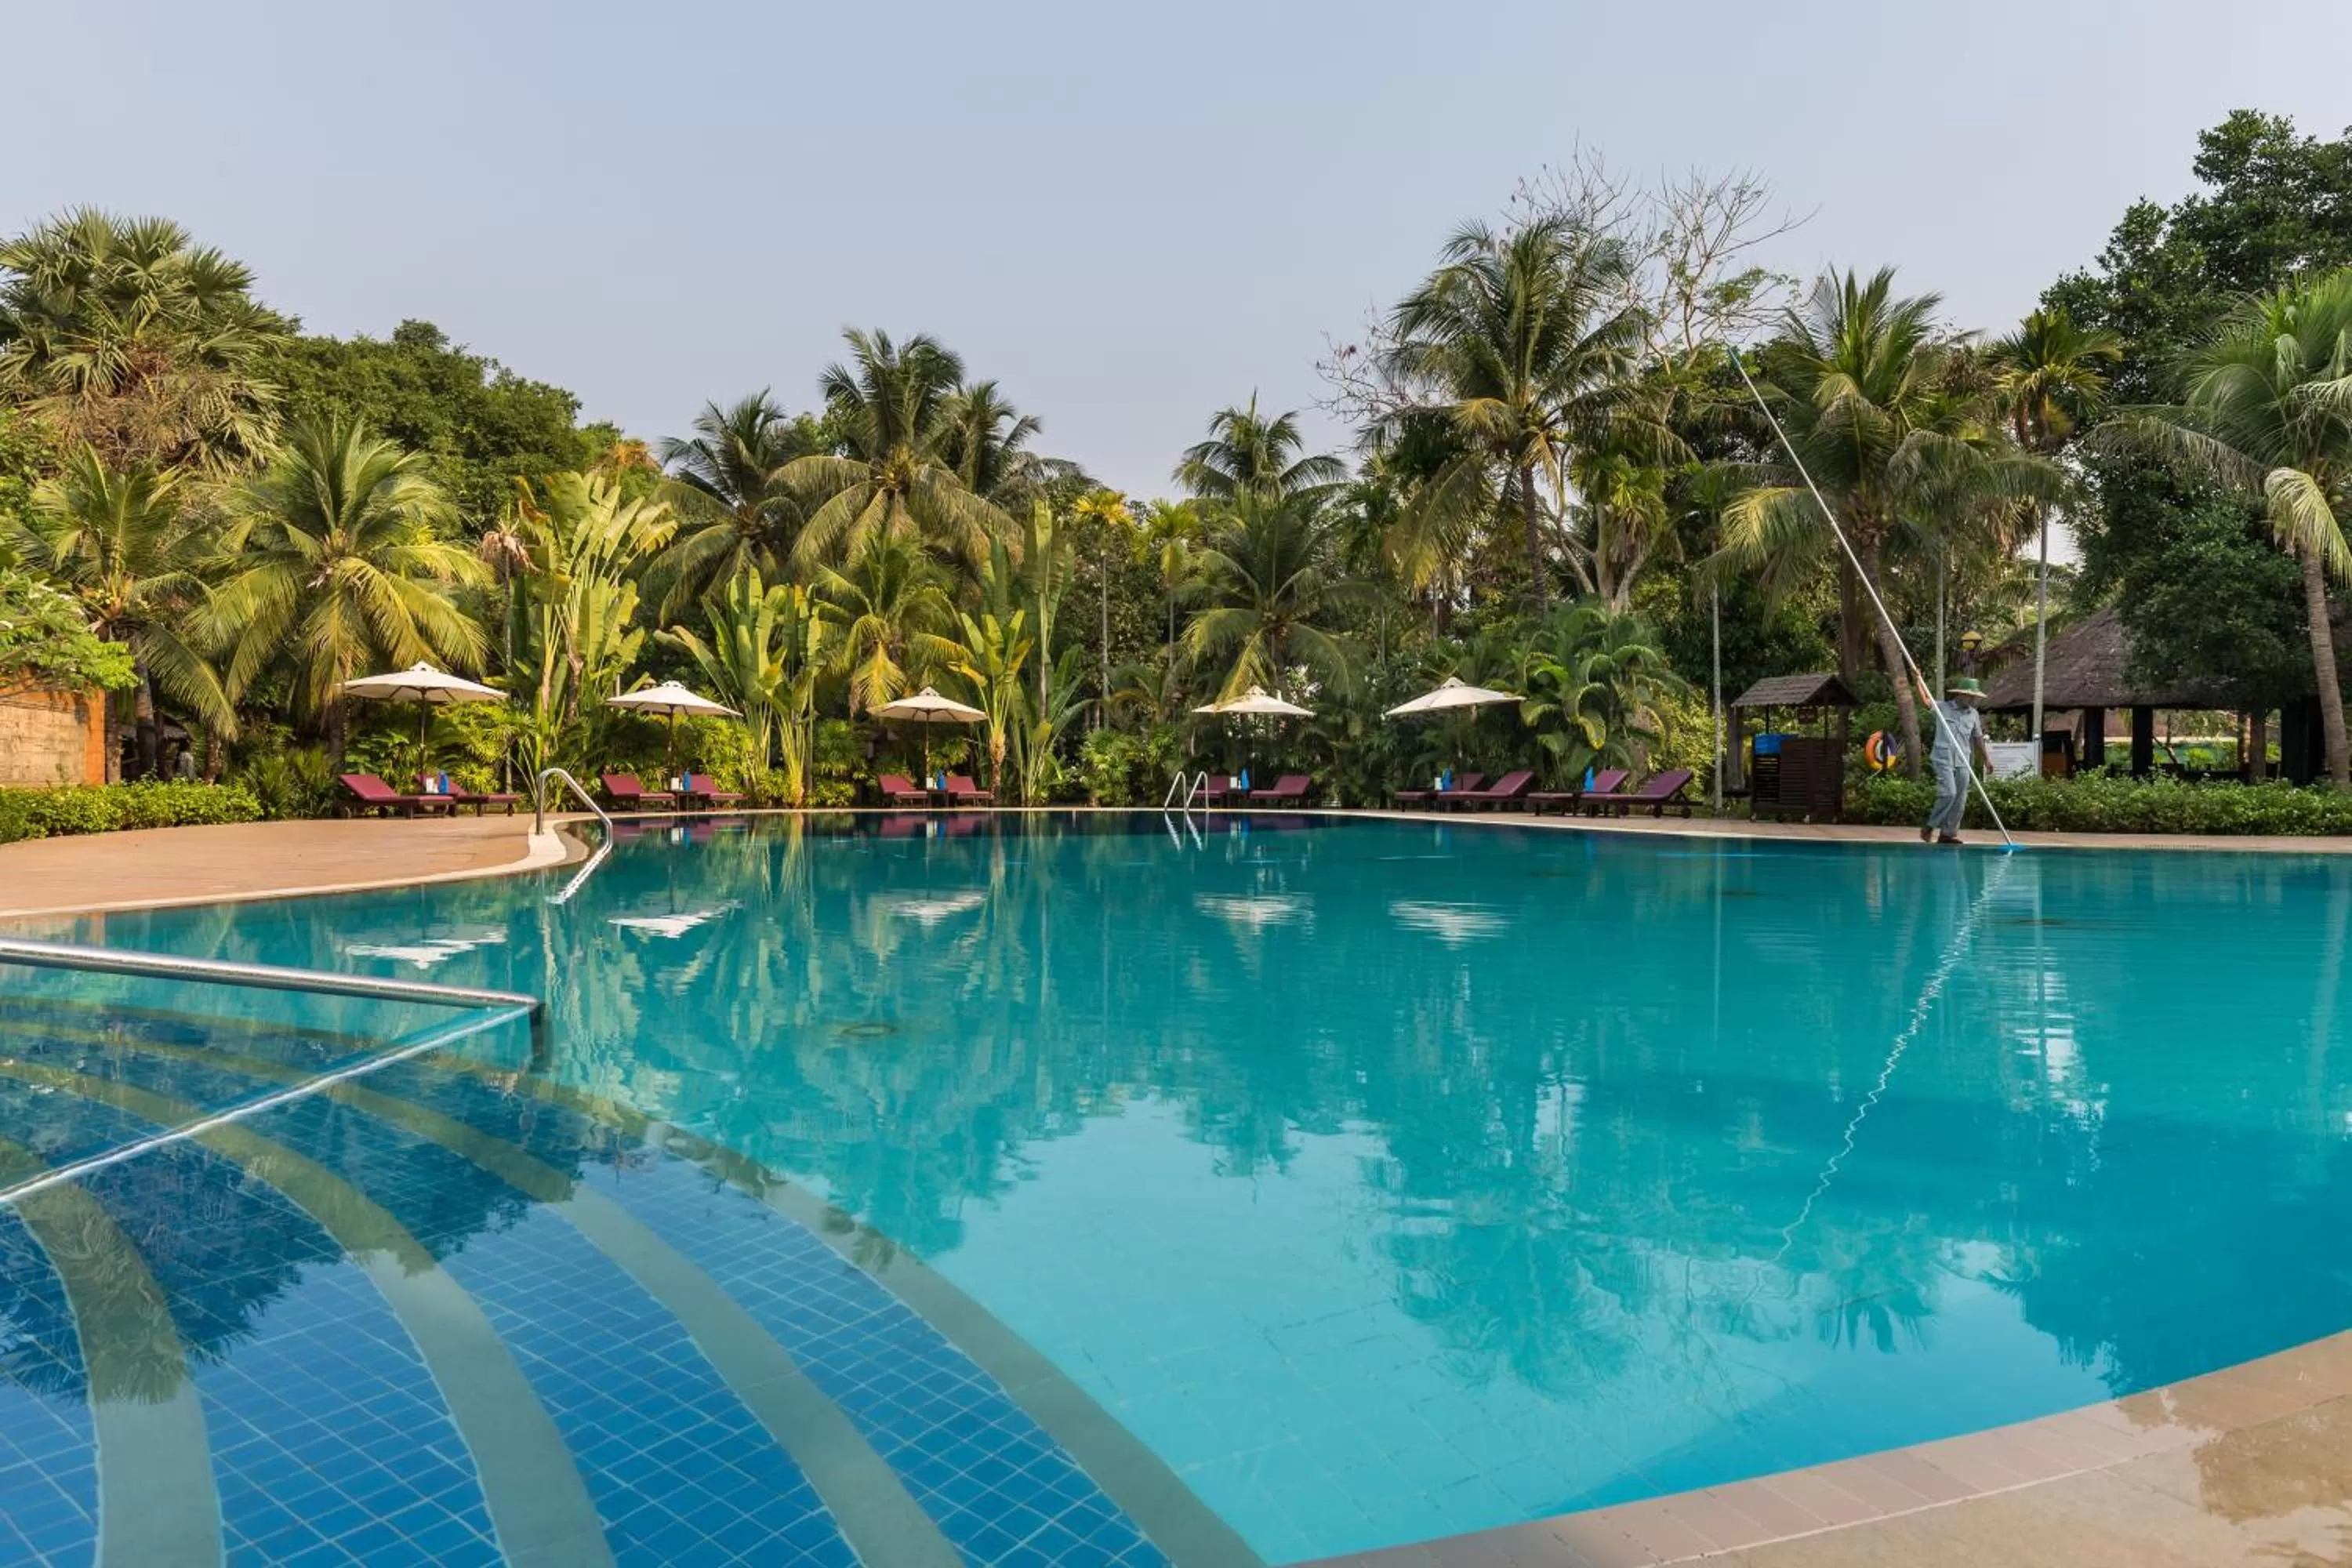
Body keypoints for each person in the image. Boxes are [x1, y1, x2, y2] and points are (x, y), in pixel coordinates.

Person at [1922, 677, 1993, 845]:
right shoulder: (1943, 708)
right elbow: (1926, 702)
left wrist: (1986, 759)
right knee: (1949, 793)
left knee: (1960, 798)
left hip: (1963, 759)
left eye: (1974, 697)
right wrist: (1918, 679)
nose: (1973, 699)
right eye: (1969, 696)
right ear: (1960, 694)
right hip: (1943, 757)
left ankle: (1947, 834)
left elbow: (1978, 738)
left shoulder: (1973, 714)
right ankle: (1930, 826)